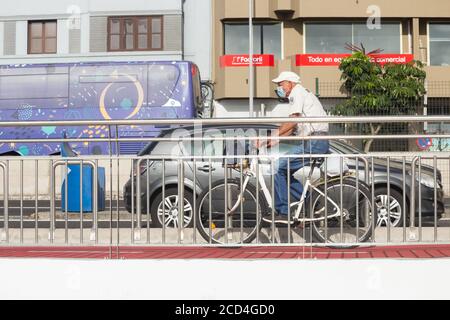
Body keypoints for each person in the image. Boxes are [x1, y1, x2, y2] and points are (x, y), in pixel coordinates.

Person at [258, 71, 330, 225]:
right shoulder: (301, 94)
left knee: (278, 168)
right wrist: (275, 139)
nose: (279, 88)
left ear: (290, 83)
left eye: (281, 84)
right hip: (314, 141)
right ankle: (311, 201)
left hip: (314, 142)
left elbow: (292, 121)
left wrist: (268, 137)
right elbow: (292, 127)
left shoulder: (297, 93)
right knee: (283, 170)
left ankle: (284, 212)